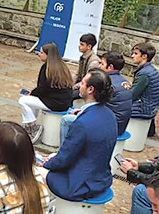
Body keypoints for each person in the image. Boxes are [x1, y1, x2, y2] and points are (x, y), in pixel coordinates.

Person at [43, 70, 116, 201]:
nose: (79, 85)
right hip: (101, 178)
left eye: (82, 83)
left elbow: (63, 159)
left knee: (38, 173)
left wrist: (45, 163)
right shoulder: (110, 115)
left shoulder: (82, 124)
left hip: (80, 185)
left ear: (90, 89)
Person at [18, 42, 74, 142]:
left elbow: (42, 88)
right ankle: (30, 126)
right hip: (63, 101)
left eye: (42, 52)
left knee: (23, 100)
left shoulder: (47, 69)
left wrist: (31, 94)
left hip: (54, 103)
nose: (40, 54)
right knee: (31, 100)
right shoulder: (62, 67)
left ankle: (33, 127)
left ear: (48, 55)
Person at [129, 42, 159, 122]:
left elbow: (132, 95)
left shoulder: (144, 74)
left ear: (144, 56)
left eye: (135, 54)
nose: (132, 56)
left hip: (144, 109)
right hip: (150, 106)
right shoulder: (150, 69)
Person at [102, 51, 133, 137]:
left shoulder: (107, 82)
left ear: (110, 67)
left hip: (109, 127)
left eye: (102, 64)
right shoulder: (125, 81)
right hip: (121, 126)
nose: (99, 66)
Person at [71, 33, 101, 99]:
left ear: (89, 46)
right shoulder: (83, 57)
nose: (79, 46)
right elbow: (77, 74)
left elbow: (88, 80)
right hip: (81, 85)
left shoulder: (94, 62)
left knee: (69, 95)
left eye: (82, 44)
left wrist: (73, 87)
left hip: (87, 88)